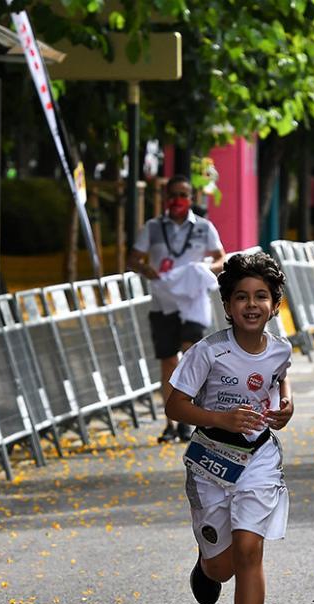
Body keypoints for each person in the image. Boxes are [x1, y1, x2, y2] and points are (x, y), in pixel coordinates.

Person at [166, 251, 294, 604]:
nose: (251, 305)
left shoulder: (282, 348)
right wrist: (221, 419)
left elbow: (279, 379)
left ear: (276, 304)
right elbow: (174, 405)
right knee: (223, 568)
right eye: (241, 297)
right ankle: (205, 565)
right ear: (227, 305)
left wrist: (285, 407)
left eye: (261, 296)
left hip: (258, 457)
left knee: (249, 549)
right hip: (211, 463)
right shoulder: (209, 351)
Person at [127, 175, 227, 443]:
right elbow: (134, 258)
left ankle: (191, 418)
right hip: (164, 303)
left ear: (191, 198)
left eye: (183, 194)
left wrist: (203, 269)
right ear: (165, 198)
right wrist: (146, 268)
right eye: (173, 195)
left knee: (191, 354)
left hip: (194, 303)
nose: (178, 200)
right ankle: (172, 423)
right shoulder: (153, 227)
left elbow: (221, 257)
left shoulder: (204, 228)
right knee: (169, 361)